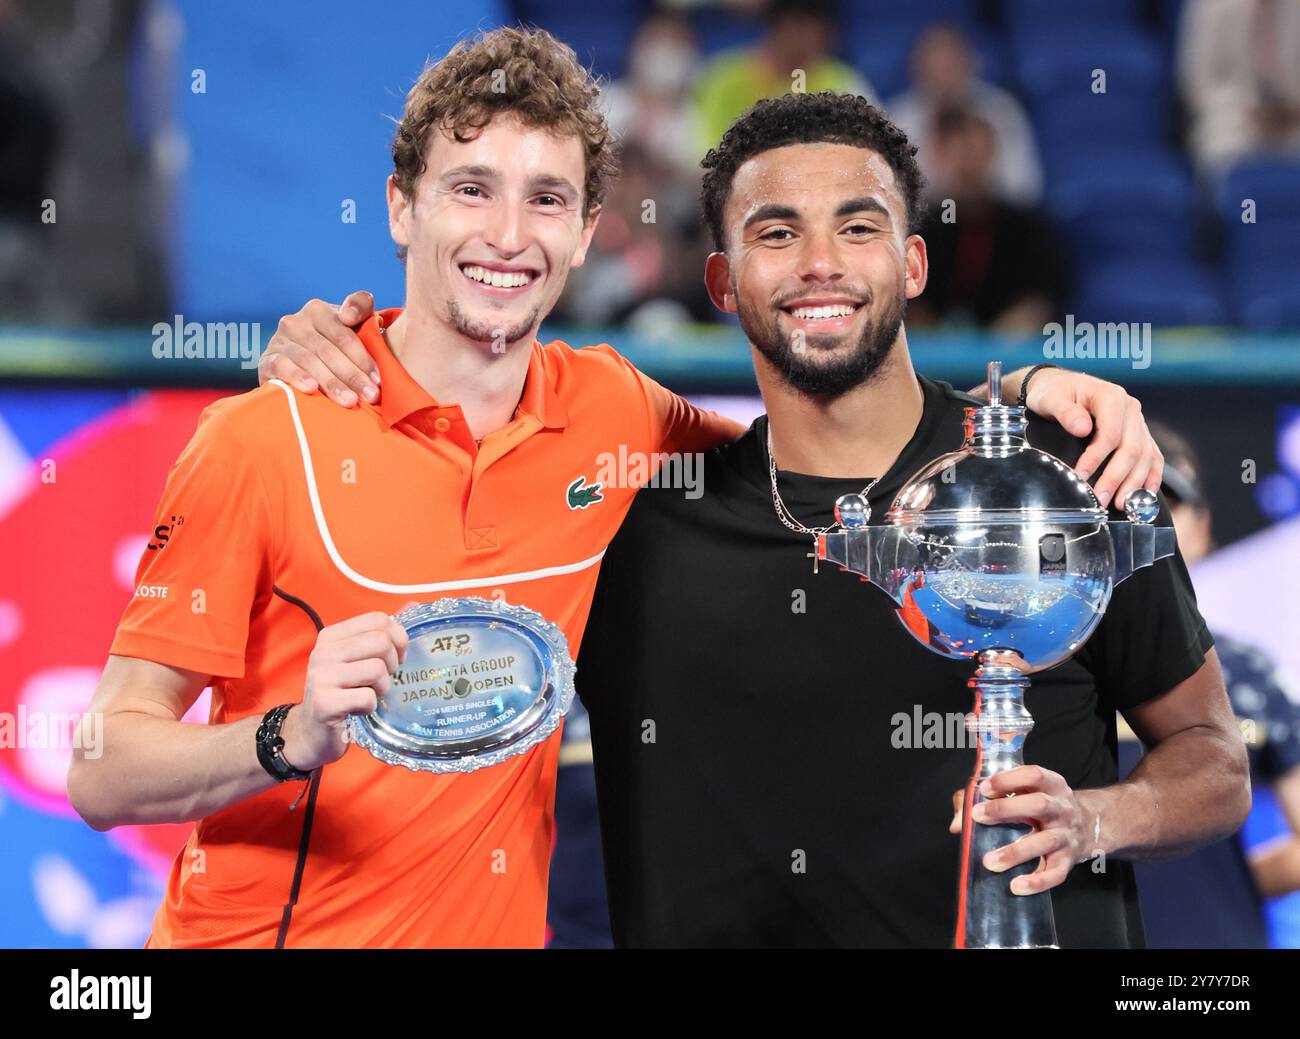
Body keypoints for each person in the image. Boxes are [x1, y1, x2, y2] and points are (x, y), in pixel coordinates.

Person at [70, 28, 1147, 950]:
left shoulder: (618, 414)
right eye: (470, 189)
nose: (506, 234)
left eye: (547, 199)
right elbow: (101, 766)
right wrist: (283, 736)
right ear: (401, 209)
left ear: (588, 233)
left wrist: (1023, 390)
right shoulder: (260, 439)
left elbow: (836, 448)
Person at [1117, 422, 1300, 948]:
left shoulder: (1249, 673)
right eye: (1125, 503)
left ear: (1202, 527)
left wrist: (1232, 878)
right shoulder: (1035, 667)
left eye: (1163, 504)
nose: (1145, 524)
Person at [908, 105, 1067, 334]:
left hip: (1009, 353)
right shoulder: (921, 227)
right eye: (960, 147)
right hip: (932, 358)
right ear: (940, 152)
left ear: (993, 150)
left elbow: (1040, 297)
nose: (970, 158)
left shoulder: (1028, 229)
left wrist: (1000, 340)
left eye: (978, 146)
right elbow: (908, 300)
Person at [886, 21, 1042, 206]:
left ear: (972, 64)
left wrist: (974, 183)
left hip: (994, 217)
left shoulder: (1001, 111)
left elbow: (1024, 187)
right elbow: (892, 195)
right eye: (936, 68)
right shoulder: (899, 118)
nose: (944, 78)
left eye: (951, 66)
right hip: (929, 222)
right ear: (917, 69)